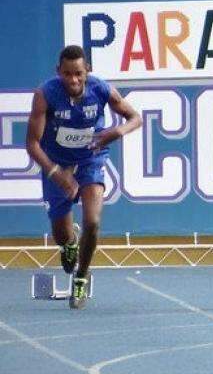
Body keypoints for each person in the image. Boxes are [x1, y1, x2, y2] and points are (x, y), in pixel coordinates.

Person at [26, 45, 141, 309]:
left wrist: (116, 131)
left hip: (90, 160)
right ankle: (69, 245)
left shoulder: (100, 89)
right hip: (56, 163)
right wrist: (56, 174)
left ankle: (81, 277)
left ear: (87, 70)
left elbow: (135, 118)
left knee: (92, 221)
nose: (74, 80)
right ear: (59, 72)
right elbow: (32, 144)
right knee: (60, 233)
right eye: (67, 74)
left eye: (78, 73)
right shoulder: (45, 95)